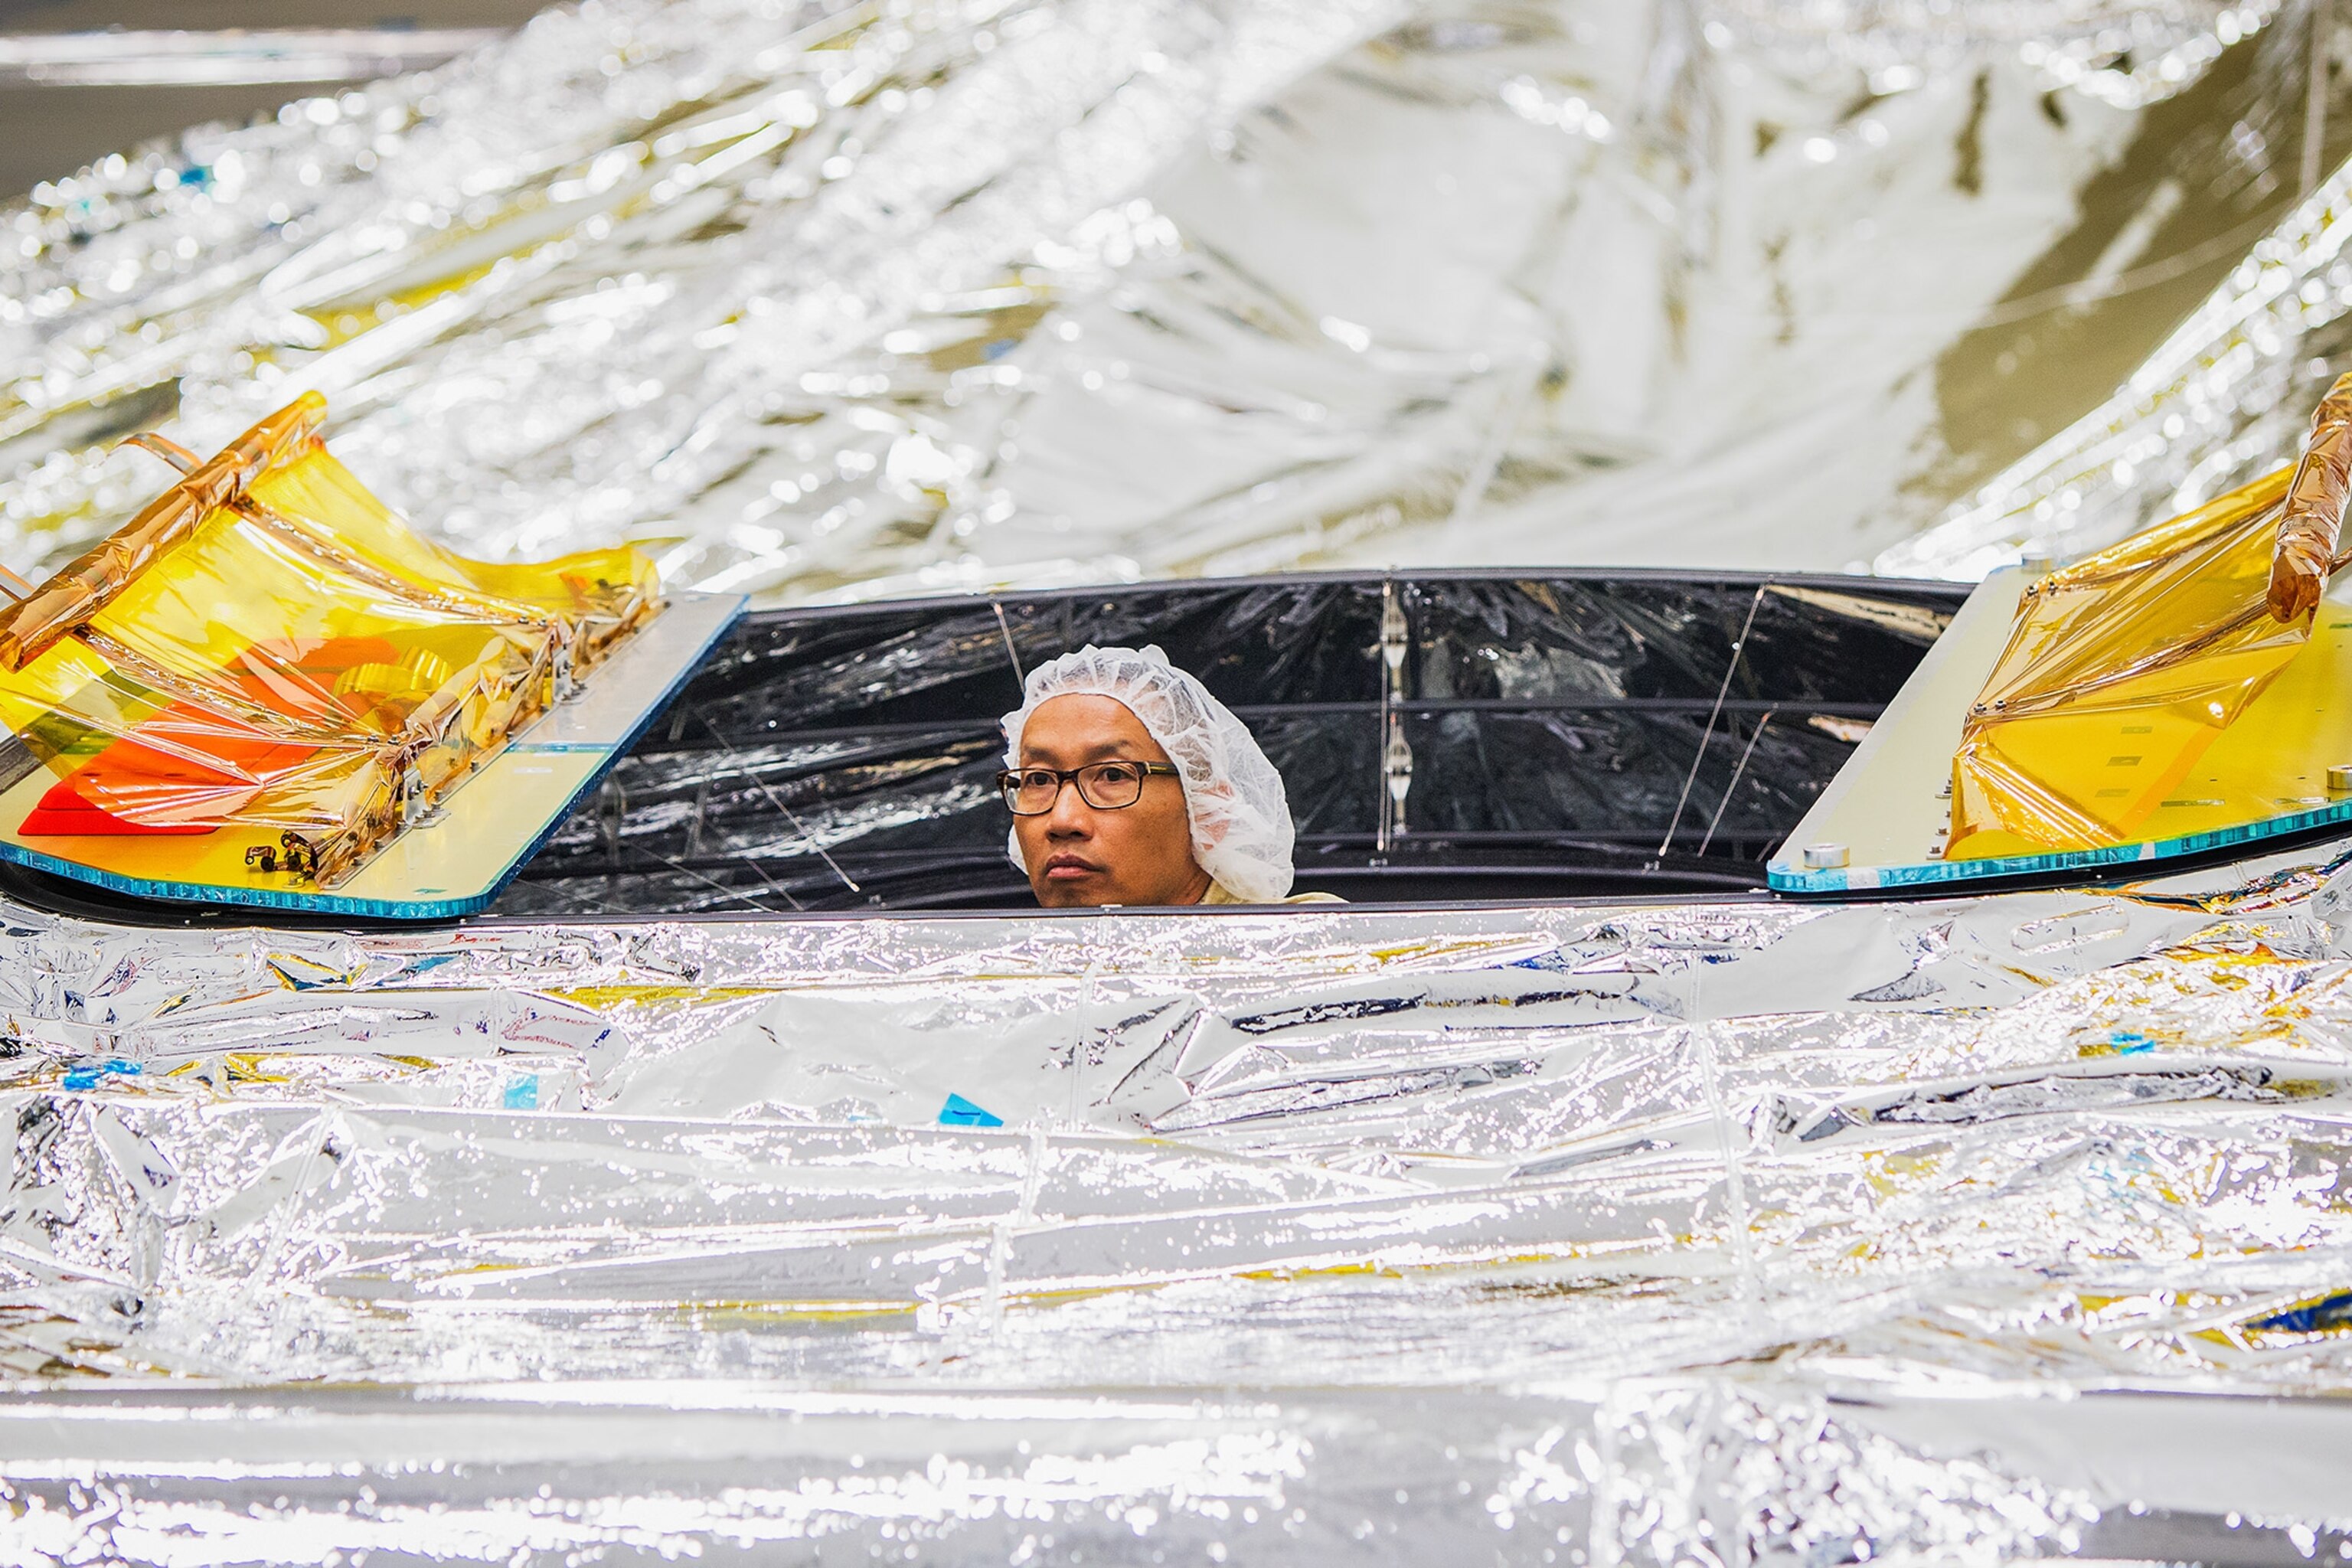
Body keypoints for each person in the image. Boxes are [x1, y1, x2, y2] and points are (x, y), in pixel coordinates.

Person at [998, 644, 1339, 907]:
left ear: (1207, 810)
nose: (1062, 820)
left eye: (1113, 775)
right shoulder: (997, 973)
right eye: (1038, 780)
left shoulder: (1319, 956)